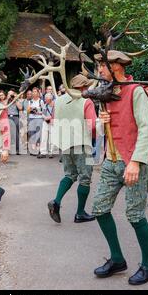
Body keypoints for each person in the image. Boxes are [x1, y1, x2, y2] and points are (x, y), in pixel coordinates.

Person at [91, 50, 148, 285]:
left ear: (116, 66)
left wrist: (136, 162)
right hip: (111, 160)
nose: (99, 71)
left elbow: (146, 128)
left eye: (102, 66)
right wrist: (101, 123)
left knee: (135, 214)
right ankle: (118, 259)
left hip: (132, 162)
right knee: (99, 208)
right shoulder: (107, 93)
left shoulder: (136, 91)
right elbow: (100, 133)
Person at [47, 74, 97, 223]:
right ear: (83, 87)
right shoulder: (86, 101)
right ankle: (80, 213)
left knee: (70, 175)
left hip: (65, 143)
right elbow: (92, 125)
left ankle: (56, 202)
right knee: (85, 178)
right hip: (82, 144)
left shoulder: (59, 100)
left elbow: (54, 121)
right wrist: (93, 138)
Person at [38, 93, 57, 159]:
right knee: (44, 137)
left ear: (50, 99)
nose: (45, 100)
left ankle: (51, 152)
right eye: (45, 98)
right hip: (45, 122)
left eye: (47, 99)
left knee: (52, 137)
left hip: (52, 121)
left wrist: (49, 117)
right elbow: (42, 113)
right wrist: (45, 117)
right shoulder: (45, 105)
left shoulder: (55, 105)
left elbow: (56, 114)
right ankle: (43, 152)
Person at [27, 87, 45, 155]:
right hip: (31, 118)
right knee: (32, 133)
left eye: (35, 91)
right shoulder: (30, 101)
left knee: (38, 133)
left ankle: (38, 149)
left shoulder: (41, 101)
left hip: (39, 118)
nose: (34, 93)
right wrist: (31, 109)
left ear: (38, 93)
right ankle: (33, 149)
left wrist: (38, 111)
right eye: (33, 91)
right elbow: (28, 111)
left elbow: (44, 111)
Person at [7, 89, 23, 155]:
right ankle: (8, 149)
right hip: (8, 117)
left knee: (16, 134)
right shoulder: (6, 101)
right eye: (9, 94)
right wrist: (8, 98)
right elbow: (3, 106)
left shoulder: (17, 100)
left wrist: (15, 99)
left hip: (15, 117)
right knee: (8, 134)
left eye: (11, 94)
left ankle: (17, 149)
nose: (11, 96)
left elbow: (20, 108)